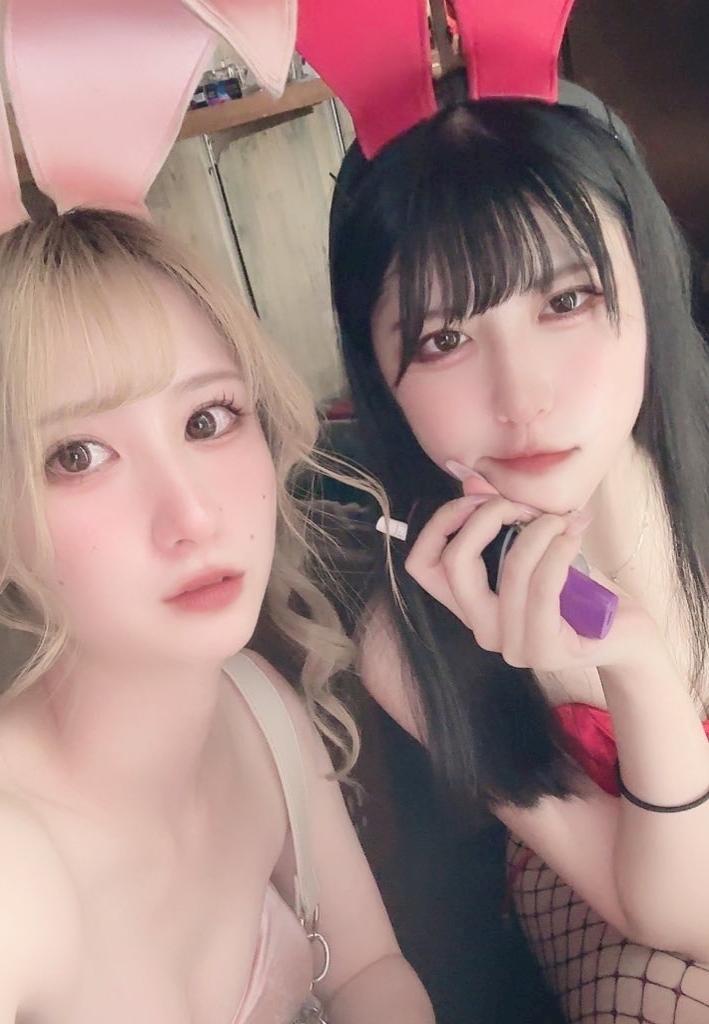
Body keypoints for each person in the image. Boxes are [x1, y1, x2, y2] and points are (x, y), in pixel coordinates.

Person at [0, 208, 434, 1024]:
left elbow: (368, 974)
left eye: (208, 419)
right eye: (78, 456)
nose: (193, 516)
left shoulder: (258, 706)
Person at [328, 83, 709, 1023]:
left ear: (648, 282)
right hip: (617, 889)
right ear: (379, 375)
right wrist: (632, 660)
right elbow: (682, 916)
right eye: (445, 337)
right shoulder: (408, 636)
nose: (522, 397)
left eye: (567, 299)